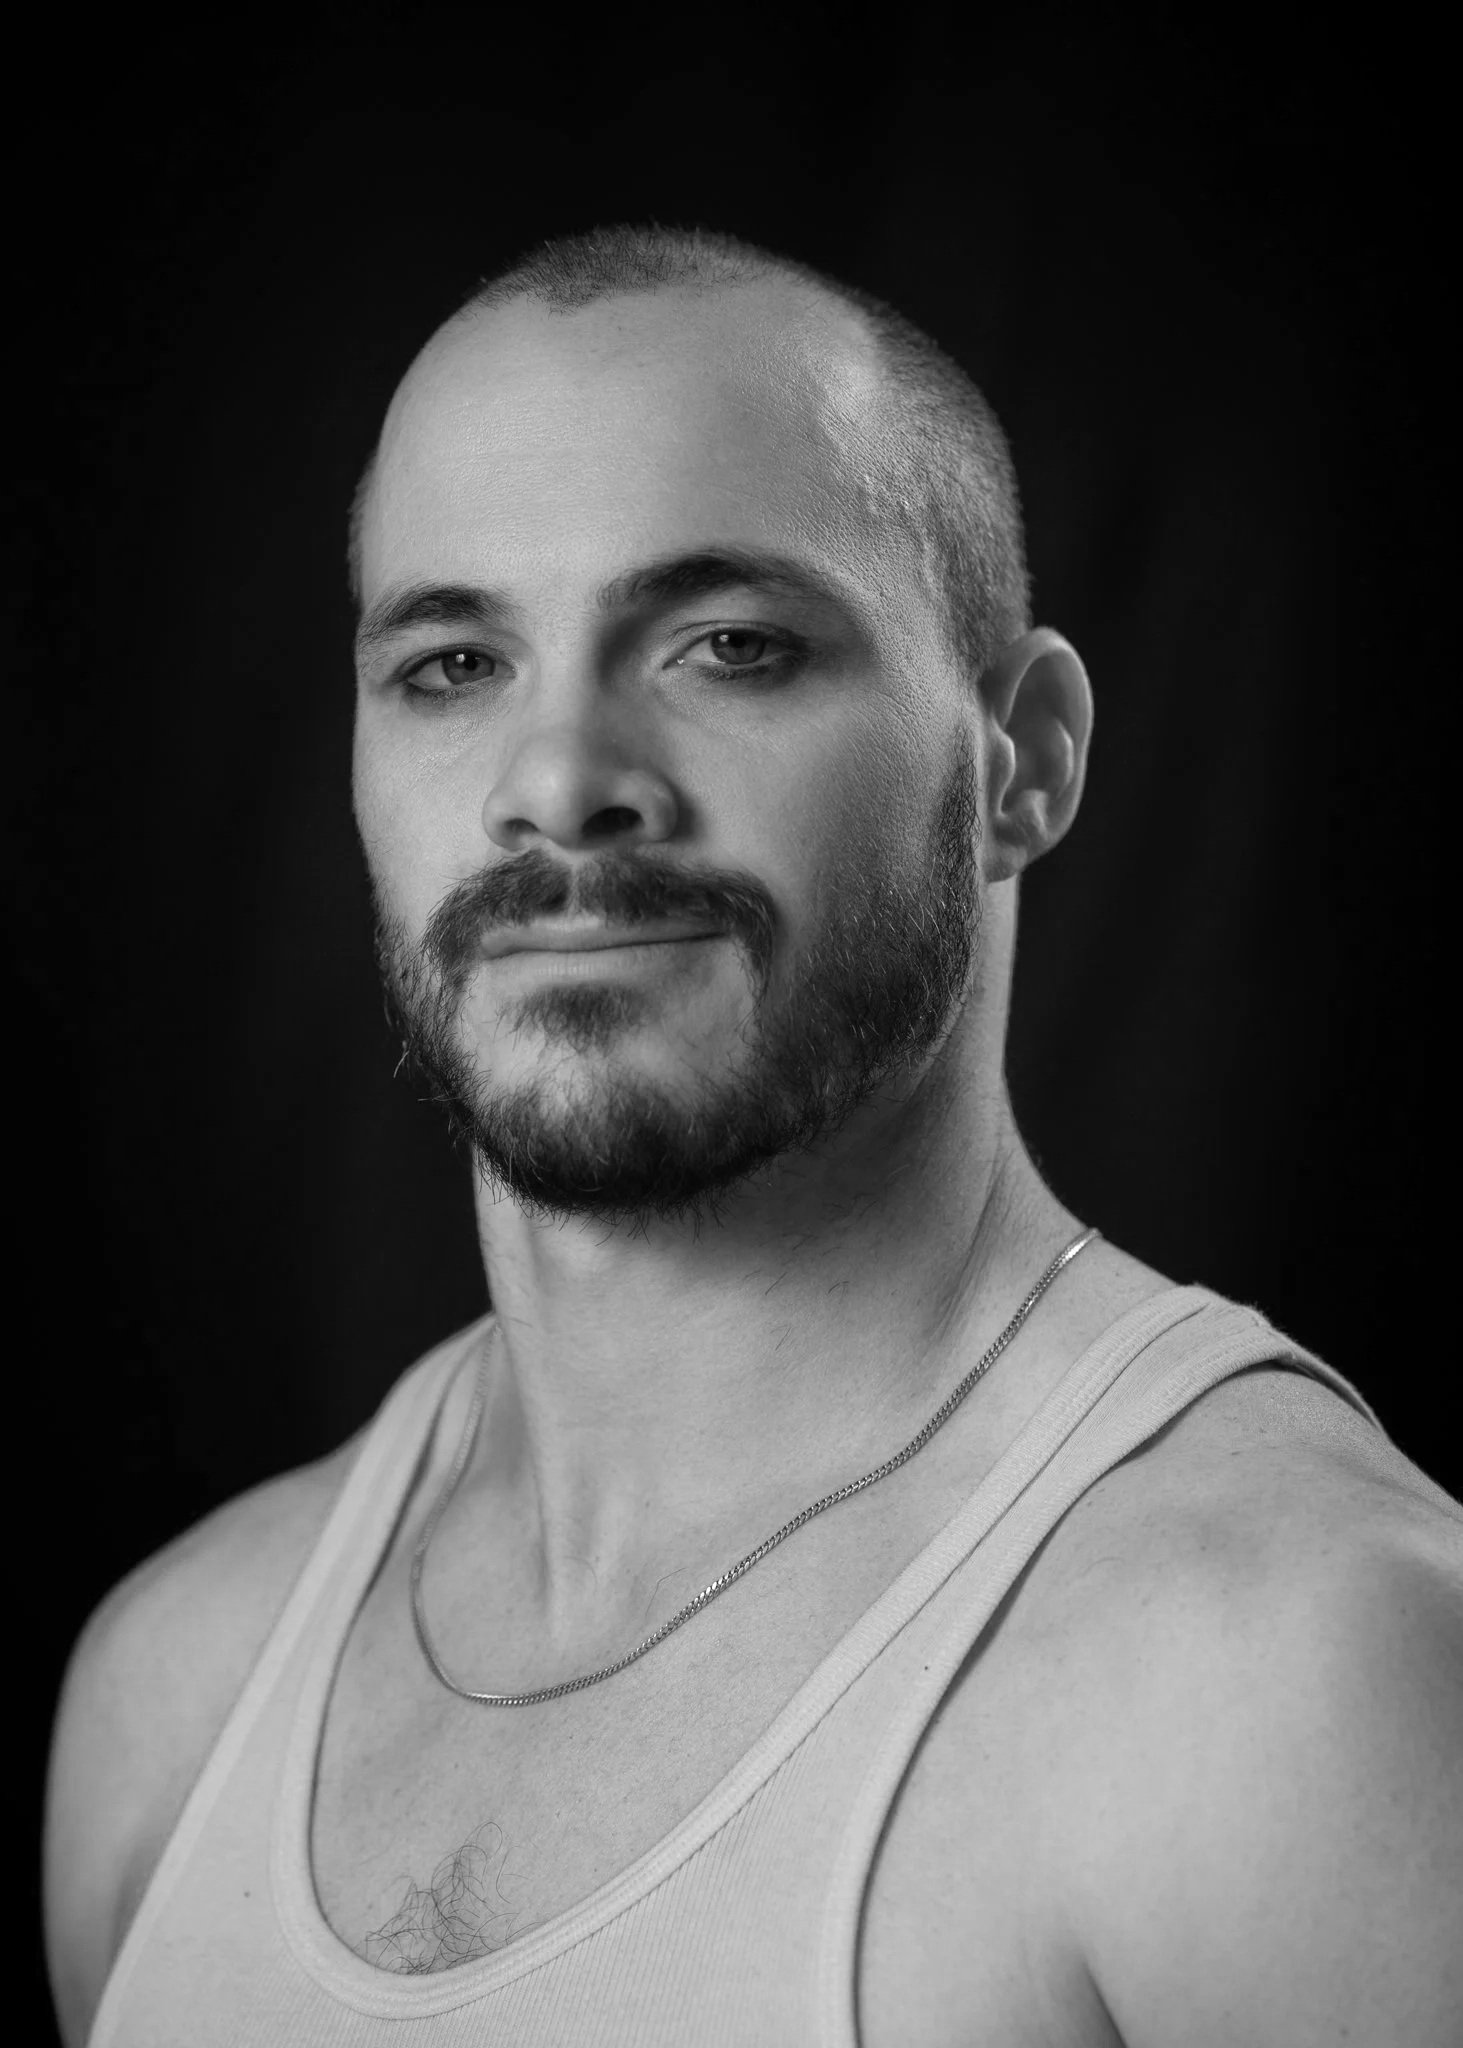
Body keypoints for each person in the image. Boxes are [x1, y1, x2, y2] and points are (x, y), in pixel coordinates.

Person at [44, 223, 1463, 2048]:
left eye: (728, 644)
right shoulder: (176, 1689)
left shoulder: (1301, 1678)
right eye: (454, 664)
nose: (558, 781)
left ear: (1022, 758)